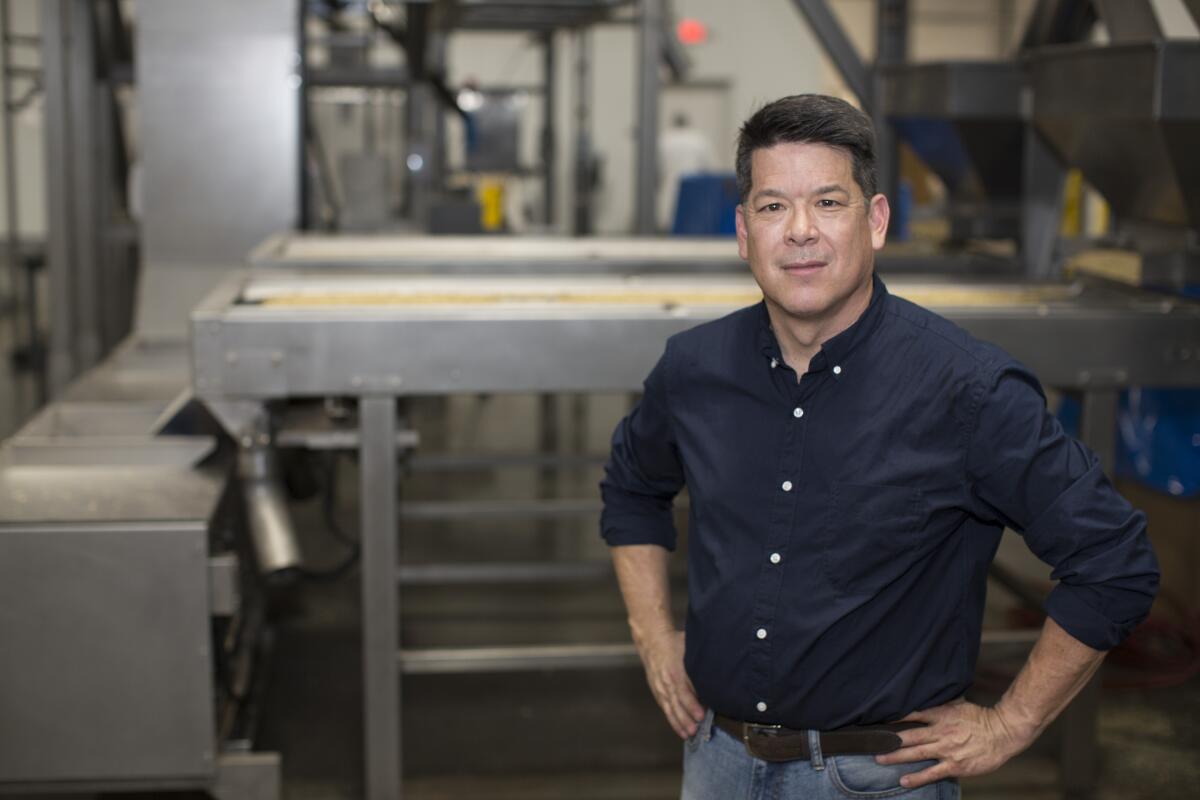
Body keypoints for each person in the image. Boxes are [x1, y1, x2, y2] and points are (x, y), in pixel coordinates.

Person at [599, 94, 1159, 799]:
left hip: (878, 779)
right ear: (743, 233)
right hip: (716, 762)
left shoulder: (968, 391)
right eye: (773, 207)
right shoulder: (693, 370)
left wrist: (1010, 724)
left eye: (829, 202)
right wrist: (653, 635)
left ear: (879, 221)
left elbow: (1114, 559)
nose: (800, 231)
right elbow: (631, 487)